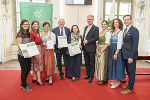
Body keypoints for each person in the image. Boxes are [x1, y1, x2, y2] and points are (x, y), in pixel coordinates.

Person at [120, 15, 139, 94]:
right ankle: (129, 85)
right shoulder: (125, 30)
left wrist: (131, 57)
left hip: (130, 55)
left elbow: (135, 45)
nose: (126, 21)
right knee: (128, 71)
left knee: (131, 73)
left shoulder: (134, 30)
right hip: (125, 54)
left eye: (128, 20)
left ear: (131, 20)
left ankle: (130, 89)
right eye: (125, 20)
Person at [108, 18, 125, 88]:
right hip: (112, 49)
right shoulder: (113, 31)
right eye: (114, 22)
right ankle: (115, 80)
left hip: (117, 50)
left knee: (117, 65)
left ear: (119, 23)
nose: (115, 23)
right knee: (113, 65)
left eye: (117, 22)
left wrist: (116, 53)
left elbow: (120, 43)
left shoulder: (120, 32)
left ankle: (118, 81)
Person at [81, 15, 99, 83]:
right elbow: (84, 36)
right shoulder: (86, 27)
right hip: (85, 48)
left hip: (91, 48)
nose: (89, 20)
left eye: (91, 19)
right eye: (88, 19)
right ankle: (87, 75)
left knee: (92, 63)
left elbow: (96, 38)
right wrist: (82, 43)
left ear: (93, 20)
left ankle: (91, 76)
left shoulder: (96, 28)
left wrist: (88, 41)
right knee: (87, 62)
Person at [17, 19, 32, 91]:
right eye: (24, 24)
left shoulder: (28, 33)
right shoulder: (20, 33)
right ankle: (24, 85)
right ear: (21, 25)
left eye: (27, 24)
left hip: (28, 54)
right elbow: (19, 46)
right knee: (24, 70)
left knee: (28, 69)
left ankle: (23, 83)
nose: (26, 26)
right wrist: (27, 51)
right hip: (22, 55)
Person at [95, 20, 111, 85]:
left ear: (107, 25)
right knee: (98, 63)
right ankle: (99, 77)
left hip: (104, 49)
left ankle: (103, 79)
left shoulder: (108, 32)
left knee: (102, 64)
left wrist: (100, 51)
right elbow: (97, 42)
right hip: (98, 48)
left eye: (104, 24)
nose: (103, 25)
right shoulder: (100, 32)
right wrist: (97, 50)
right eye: (102, 24)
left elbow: (107, 43)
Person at [30, 21, 44, 86]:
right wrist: (35, 53)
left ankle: (34, 78)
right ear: (32, 25)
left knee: (36, 63)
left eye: (37, 24)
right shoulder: (31, 33)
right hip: (35, 49)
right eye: (35, 24)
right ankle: (39, 80)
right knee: (37, 64)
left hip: (39, 49)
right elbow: (31, 43)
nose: (36, 25)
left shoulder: (38, 32)